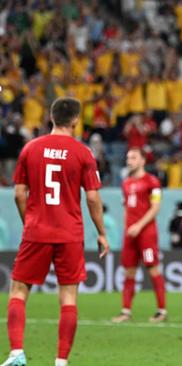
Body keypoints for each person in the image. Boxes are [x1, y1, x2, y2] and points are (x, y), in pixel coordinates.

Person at [2, 97, 109, 366]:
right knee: (68, 296)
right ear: (75, 120)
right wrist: (101, 232)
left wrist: (30, 221)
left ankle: (16, 353)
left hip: (36, 230)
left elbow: (18, 194)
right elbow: (93, 199)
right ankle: (61, 361)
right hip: (69, 233)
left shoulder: (30, 149)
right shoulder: (83, 153)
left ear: (51, 117)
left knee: (18, 290)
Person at [112, 148, 167, 323]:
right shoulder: (125, 183)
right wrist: (127, 227)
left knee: (153, 269)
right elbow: (126, 209)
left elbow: (155, 208)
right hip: (130, 234)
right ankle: (125, 311)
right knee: (129, 272)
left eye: (133, 157)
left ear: (143, 161)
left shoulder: (152, 182)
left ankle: (161, 310)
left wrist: (139, 225)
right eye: (128, 157)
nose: (129, 160)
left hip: (146, 233)